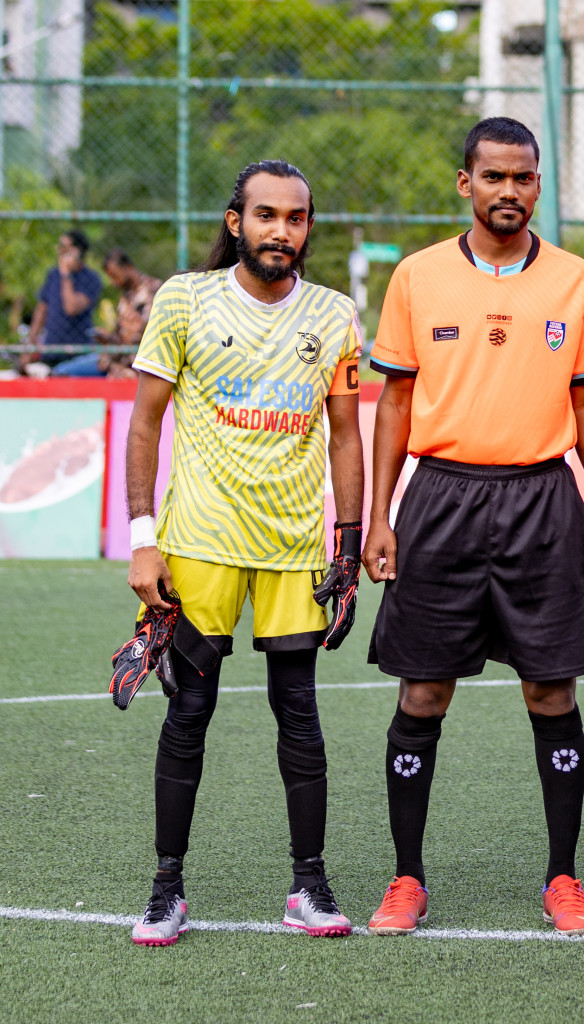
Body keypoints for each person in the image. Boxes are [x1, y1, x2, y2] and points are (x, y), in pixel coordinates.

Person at [362, 117, 584, 937]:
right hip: (439, 499)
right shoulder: (417, 276)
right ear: (465, 183)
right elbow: (394, 401)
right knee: (424, 690)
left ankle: (565, 878)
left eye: (524, 178)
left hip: (543, 500)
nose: (510, 191)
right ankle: (406, 879)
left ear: (538, 185)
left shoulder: (574, 280)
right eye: (494, 177)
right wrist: (379, 516)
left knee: (551, 688)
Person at [122, 160, 365, 945]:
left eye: (295, 219)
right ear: (237, 223)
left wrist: (350, 542)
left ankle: (310, 886)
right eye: (266, 216)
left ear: (308, 228)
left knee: (299, 712)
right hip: (198, 546)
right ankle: (166, 889)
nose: (281, 232)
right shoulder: (185, 299)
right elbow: (145, 423)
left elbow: (347, 434)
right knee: (188, 711)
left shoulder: (333, 315)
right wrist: (141, 541)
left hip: (293, 550)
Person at [28, 230, 104, 374]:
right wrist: (31, 344)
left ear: (77, 251)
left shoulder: (91, 278)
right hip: (51, 349)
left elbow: (71, 308)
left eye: (64, 246)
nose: (60, 250)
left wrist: (66, 274)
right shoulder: (53, 275)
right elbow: (42, 310)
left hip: (78, 351)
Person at [102, 250, 163, 379]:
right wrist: (108, 337)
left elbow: (162, 330)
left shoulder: (155, 290)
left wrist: (139, 329)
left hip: (147, 362)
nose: (113, 282)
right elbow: (120, 335)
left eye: (115, 275)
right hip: (122, 362)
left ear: (128, 267)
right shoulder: (125, 297)